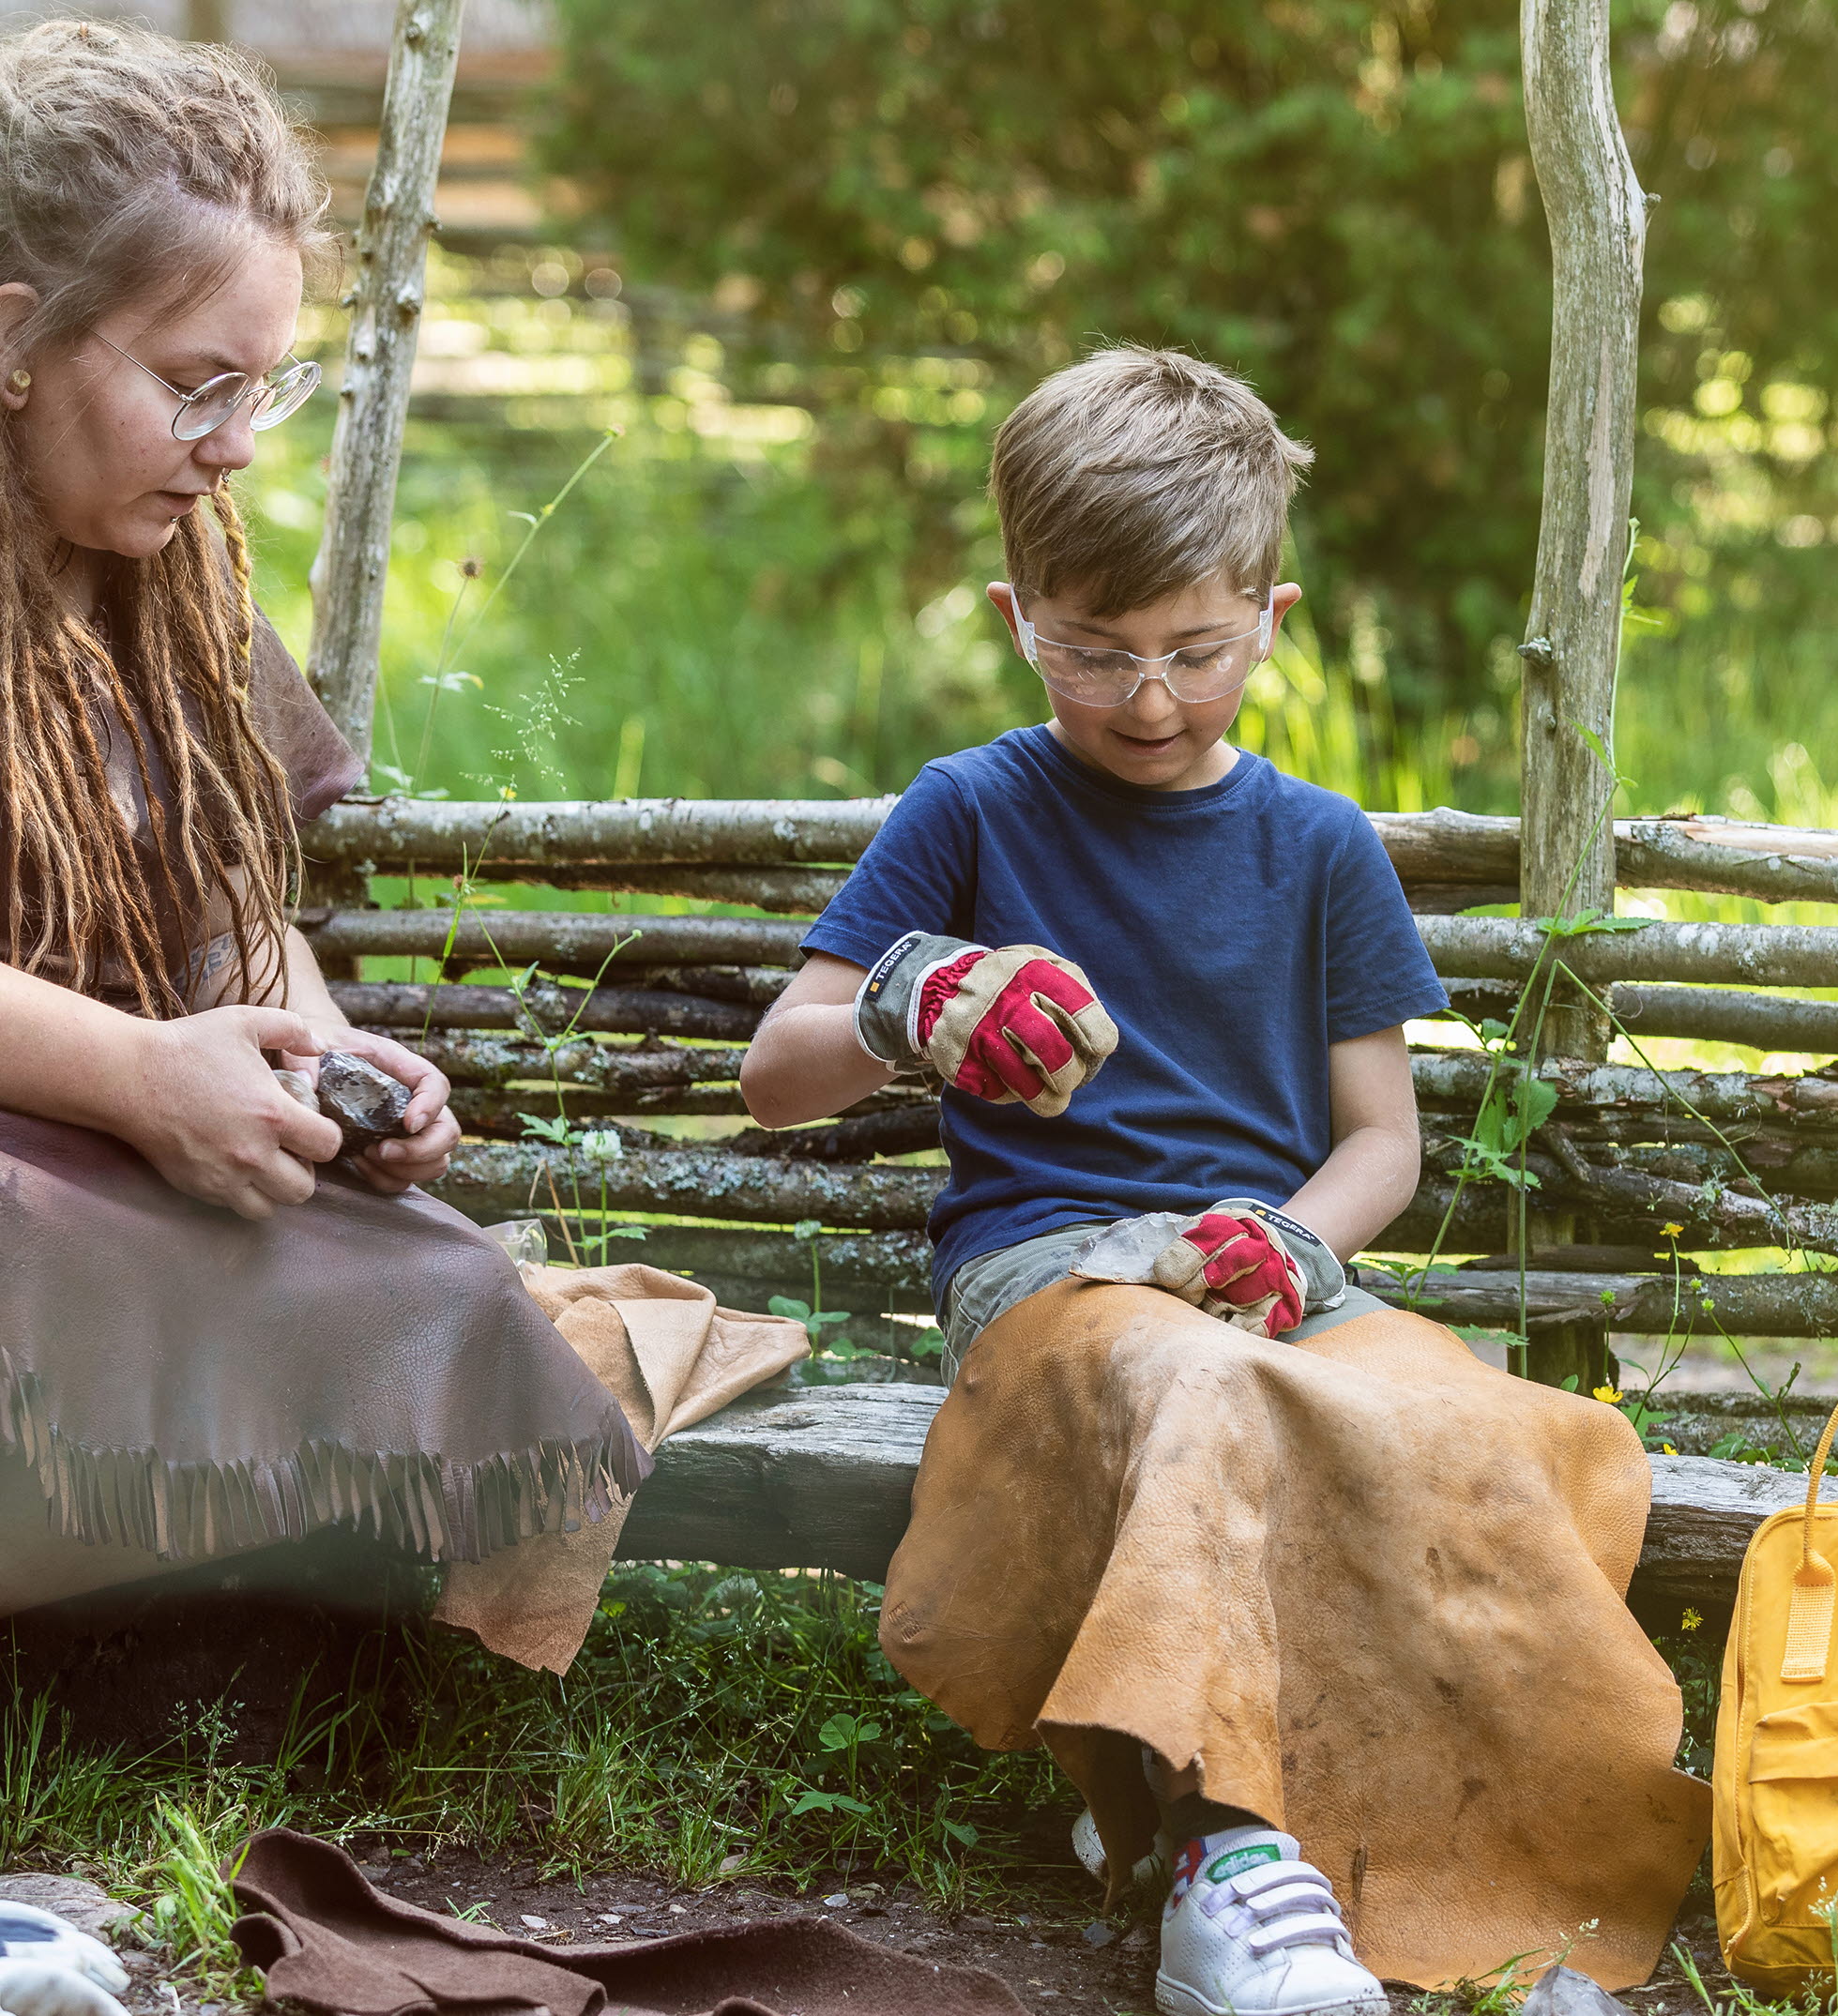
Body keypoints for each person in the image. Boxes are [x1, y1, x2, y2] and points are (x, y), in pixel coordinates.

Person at [742, 347, 1705, 2013]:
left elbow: (1381, 1141)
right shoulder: (969, 808)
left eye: (1194, 652)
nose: (1146, 700)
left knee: (1473, 1424)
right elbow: (777, 1072)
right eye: (1091, 651)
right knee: (1198, 1387)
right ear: (1014, 616)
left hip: (1274, 1271)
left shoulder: (1320, 844)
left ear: (1271, 615)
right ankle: (1220, 1845)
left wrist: (1286, 1237)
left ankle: (1481, 1864)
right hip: (1054, 1273)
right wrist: (911, 1003)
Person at [0, 21, 643, 1615]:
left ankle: (171, 1599)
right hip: (42, 1179)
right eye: (193, 387)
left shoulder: (178, 589)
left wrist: (322, 1063)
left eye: (263, 388)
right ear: (13, 340)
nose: (232, 449)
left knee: (447, 1285)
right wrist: (139, 1074)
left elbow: (237, 908)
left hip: (124, 1172)